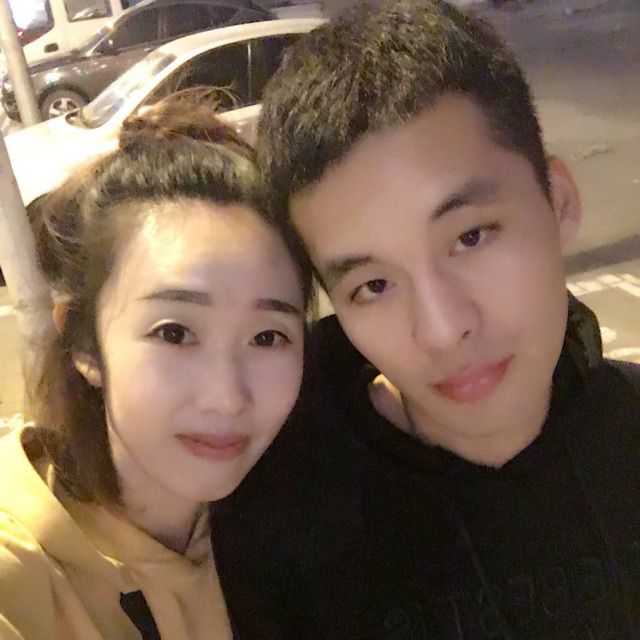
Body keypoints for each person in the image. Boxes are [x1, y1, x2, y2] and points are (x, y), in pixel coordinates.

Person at [214, 1, 640, 638]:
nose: (442, 330)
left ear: (559, 202)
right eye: (373, 285)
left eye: (470, 237)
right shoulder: (281, 526)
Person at [0, 91, 311, 640]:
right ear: (84, 344)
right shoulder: (21, 575)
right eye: (174, 333)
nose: (227, 397)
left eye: (267, 337)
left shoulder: (283, 516)